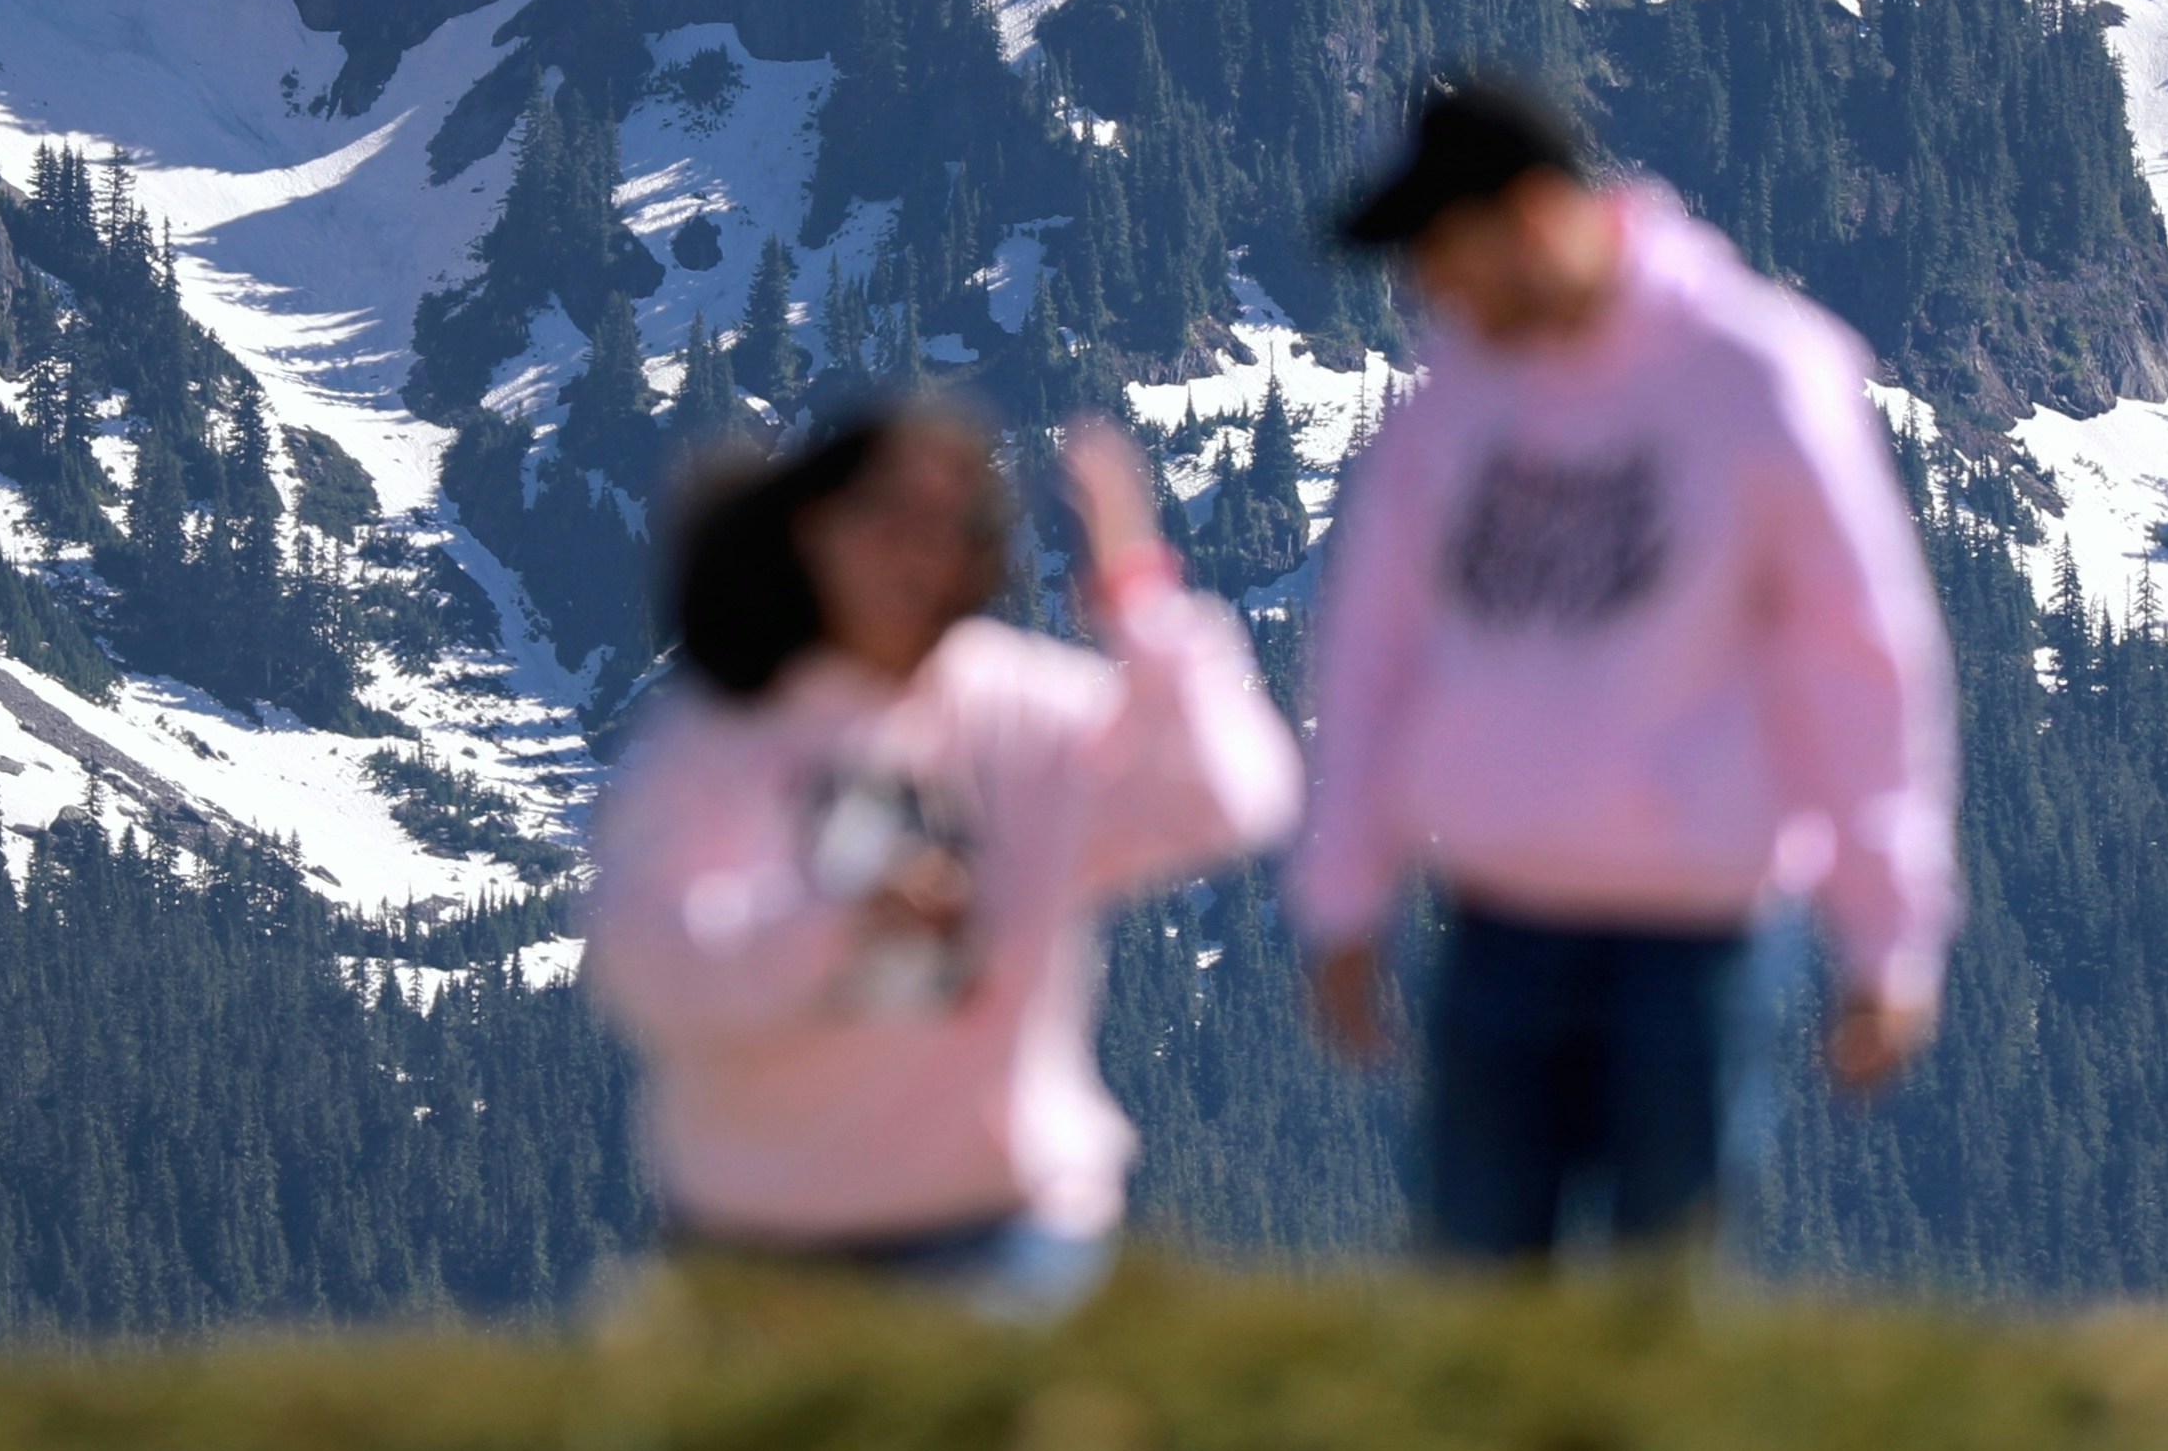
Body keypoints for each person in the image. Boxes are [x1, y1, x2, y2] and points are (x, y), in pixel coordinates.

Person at [1290, 75, 1957, 1262]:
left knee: (1662, 1282)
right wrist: (1345, 895)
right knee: (1476, 1279)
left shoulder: (1756, 374)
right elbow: (1373, 656)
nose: (1426, 288)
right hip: (1497, 910)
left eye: (1444, 252)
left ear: (1537, 218)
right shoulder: (1457, 399)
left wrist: (1887, 930)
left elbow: (1859, 659)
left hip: (1695, 930)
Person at [582, 396, 1301, 1315]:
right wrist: (838, 925)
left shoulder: (1023, 709)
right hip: (759, 1227)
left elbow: (1233, 799)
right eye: (883, 516)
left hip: (1000, 1227)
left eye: (948, 525)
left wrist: (1140, 594)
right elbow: (647, 964)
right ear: (809, 529)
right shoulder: (724, 729)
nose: (914, 550)